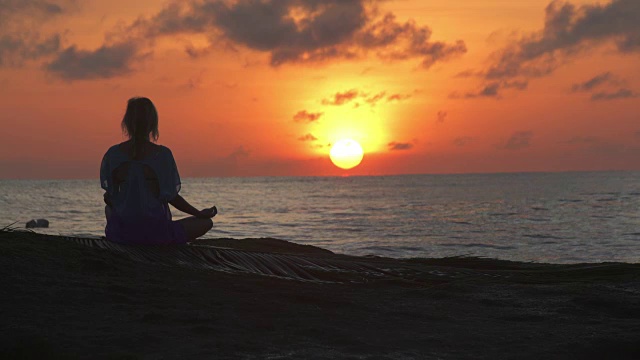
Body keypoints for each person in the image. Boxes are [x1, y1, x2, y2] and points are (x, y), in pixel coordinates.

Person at [100, 97, 216, 244]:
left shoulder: (113, 154)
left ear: (127, 122)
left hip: (122, 233)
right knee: (206, 223)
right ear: (152, 124)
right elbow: (171, 197)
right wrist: (198, 213)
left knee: (108, 210)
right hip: (156, 234)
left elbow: (110, 198)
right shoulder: (161, 155)